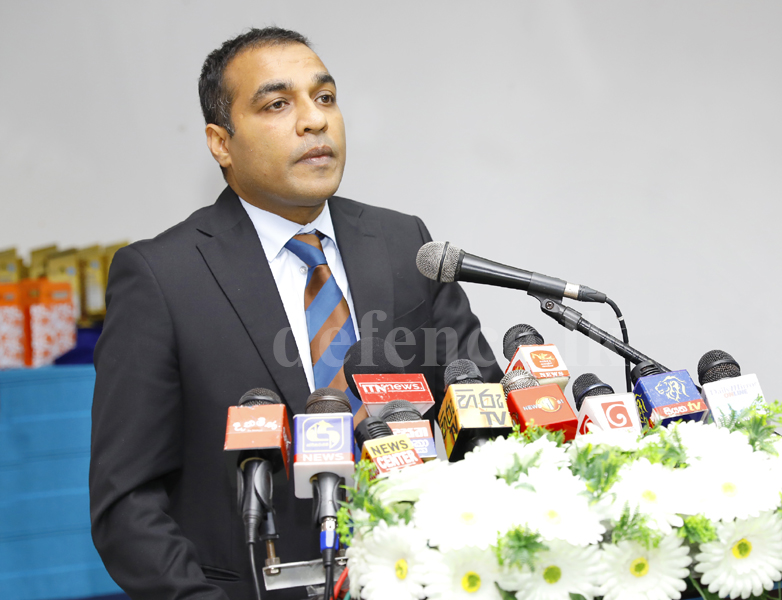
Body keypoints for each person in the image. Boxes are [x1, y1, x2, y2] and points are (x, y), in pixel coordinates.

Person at [89, 27, 502, 600]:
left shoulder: (403, 241)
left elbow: (485, 409)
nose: (314, 121)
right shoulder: (162, 277)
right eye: (278, 104)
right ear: (220, 142)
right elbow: (126, 503)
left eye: (325, 97)